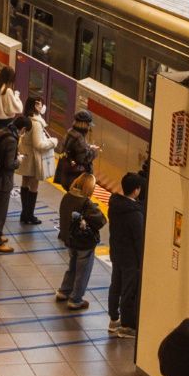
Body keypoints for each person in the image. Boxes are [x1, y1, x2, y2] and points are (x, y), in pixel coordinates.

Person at [55, 172, 105, 310]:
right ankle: (76, 299)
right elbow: (101, 221)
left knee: (72, 266)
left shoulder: (67, 196)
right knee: (83, 271)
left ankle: (64, 291)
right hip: (84, 243)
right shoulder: (86, 203)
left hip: (70, 240)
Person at [106, 172, 144, 338]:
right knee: (129, 291)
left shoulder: (114, 206)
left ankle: (114, 319)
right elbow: (139, 240)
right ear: (136, 191)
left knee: (115, 285)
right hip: (130, 258)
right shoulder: (134, 214)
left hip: (116, 252)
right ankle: (127, 326)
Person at [0, 115, 28, 252]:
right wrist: (19, 161)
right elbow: (9, 164)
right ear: (23, 129)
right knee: (0, 210)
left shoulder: (1, 131)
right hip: (2, 180)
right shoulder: (11, 140)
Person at [16, 95, 56, 225]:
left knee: (25, 183)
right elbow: (38, 144)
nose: (42, 106)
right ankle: (29, 215)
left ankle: (24, 213)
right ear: (35, 105)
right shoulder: (37, 123)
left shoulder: (27, 119)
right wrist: (53, 142)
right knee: (33, 185)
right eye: (40, 104)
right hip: (34, 159)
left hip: (26, 155)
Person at [57, 110, 100, 186]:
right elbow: (83, 159)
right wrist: (94, 151)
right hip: (75, 177)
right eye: (88, 124)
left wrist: (88, 146)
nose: (89, 127)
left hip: (66, 173)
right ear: (84, 124)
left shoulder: (70, 132)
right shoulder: (79, 138)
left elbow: (72, 150)